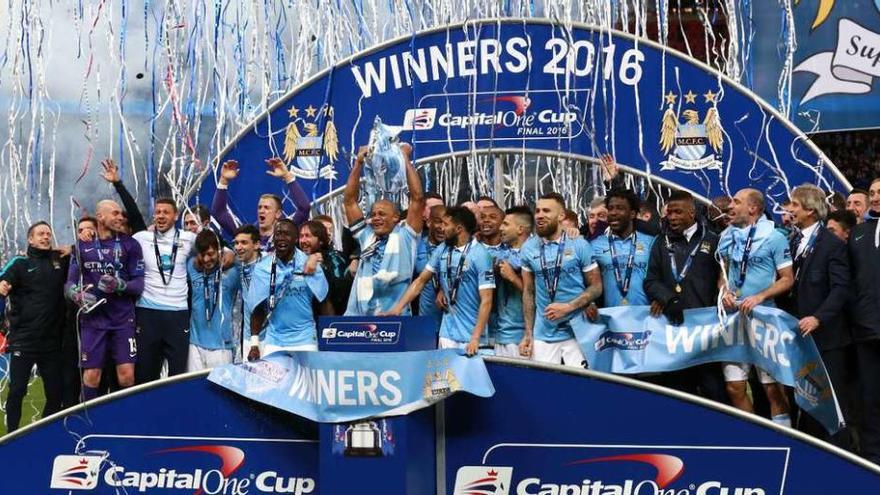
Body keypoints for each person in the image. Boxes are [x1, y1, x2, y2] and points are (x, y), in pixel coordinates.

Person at [777, 185, 851, 448]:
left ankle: (836, 458)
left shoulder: (832, 244)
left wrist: (818, 317)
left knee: (828, 403)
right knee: (804, 401)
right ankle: (807, 453)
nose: (789, 210)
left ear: (809, 209)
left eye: (794, 205)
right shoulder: (793, 240)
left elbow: (841, 288)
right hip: (798, 335)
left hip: (826, 339)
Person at [717, 188, 794, 426]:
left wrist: (760, 297)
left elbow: (787, 278)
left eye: (736, 202)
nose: (730, 206)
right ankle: (753, 439)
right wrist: (723, 291)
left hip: (764, 318)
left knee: (772, 388)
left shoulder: (775, 236)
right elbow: (723, 273)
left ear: (753, 208)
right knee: (734, 387)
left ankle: (784, 441)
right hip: (732, 319)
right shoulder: (727, 236)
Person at [644, 191, 726, 402]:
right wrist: (668, 299)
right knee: (678, 394)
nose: (672, 217)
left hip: (706, 332)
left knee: (714, 392)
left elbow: (724, 279)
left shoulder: (712, 239)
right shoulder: (661, 242)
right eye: (669, 212)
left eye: (678, 212)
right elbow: (651, 281)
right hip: (674, 331)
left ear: (692, 213)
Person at [385, 207, 494, 355]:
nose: (442, 229)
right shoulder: (442, 249)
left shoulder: (480, 255)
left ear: (459, 228)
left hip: (473, 336)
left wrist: (475, 337)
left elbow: (486, 300)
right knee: (446, 378)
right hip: (447, 333)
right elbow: (421, 281)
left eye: (446, 224)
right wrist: (398, 308)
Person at [65, 200, 145, 401]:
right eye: (115, 213)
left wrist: (120, 285)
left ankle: (126, 421)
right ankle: (89, 423)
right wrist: (77, 294)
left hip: (122, 319)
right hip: (93, 320)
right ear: (100, 217)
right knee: (92, 377)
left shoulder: (131, 244)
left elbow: (139, 285)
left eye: (121, 214)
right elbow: (69, 283)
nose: (120, 217)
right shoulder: (82, 246)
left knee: (127, 376)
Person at [0, 222, 68, 431]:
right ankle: (12, 435)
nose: (46, 237)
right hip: (24, 339)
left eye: (48, 233)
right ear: (30, 239)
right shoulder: (20, 262)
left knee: (56, 393)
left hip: (52, 342)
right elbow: (3, 282)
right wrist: (3, 285)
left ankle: (41, 434)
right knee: (18, 390)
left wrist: (72, 249)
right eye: (40, 234)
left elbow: (87, 249)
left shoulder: (60, 261)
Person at [343, 143, 424, 315]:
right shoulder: (366, 236)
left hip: (396, 316)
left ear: (396, 217)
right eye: (373, 214)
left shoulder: (407, 236)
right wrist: (358, 163)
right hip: (362, 317)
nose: (376, 218)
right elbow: (349, 201)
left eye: (382, 214)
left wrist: (404, 158)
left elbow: (417, 198)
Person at [521, 192, 602, 366]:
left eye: (546, 211)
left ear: (561, 216)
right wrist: (529, 333)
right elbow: (528, 292)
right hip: (544, 334)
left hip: (578, 332)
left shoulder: (579, 244)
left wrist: (568, 307)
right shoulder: (528, 248)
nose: (540, 215)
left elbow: (596, 287)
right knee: (544, 388)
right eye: (537, 211)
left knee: (582, 387)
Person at [132, 198, 197, 383]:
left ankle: (175, 411)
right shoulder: (142, 238)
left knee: (177, 375)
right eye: (158, 212)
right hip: (147, 312)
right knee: (145, 374)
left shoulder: (188, 238)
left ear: (175, 216)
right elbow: (117, 243)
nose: (160, 216)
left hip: (177, 313)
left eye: (165, 212)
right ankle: (146, 411)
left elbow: (217, 248)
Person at [246, 219, 329, 359]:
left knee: (306, 381)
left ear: (296, 238)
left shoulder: (309, 265)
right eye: (278, 234)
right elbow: (258, 309)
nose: (281, 238)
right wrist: (254, 344)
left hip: (305, 338)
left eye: (286, 234)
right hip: (274, 339)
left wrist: (328, 341)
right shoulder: (263, 268)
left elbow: (323, 303)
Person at [211, 157, 311, 250]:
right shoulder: (247, 235)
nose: (261, 210)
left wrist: (287, 176)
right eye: (259, 207)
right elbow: (218, 212)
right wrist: (224, 180)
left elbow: (304, 208)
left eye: (267, 208)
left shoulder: (287, 232)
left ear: (278, 213)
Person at [848, 177, 880, 463]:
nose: (877, 197)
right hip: (866, 330)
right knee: (870, 398)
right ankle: (872, 459)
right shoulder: (858, 234)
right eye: (873, 193)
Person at [589, 189, 654, 309]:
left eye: (620, 208)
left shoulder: (651, 242)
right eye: (610, 208)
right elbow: (587, 281)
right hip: (612, 320)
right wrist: (589, 303)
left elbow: (660, 277)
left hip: (646, 319)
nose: (613, 212)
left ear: (632, 214)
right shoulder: (594, 245)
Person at [187, 229, 240, 371]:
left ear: (219, 250)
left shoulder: (232, 271)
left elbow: (250, 260)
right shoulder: (191, 267)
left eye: (210, 254)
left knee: (219, 392)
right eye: (202, 254)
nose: (206, 259)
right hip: (195, 344)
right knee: (194, 388)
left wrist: (232, 254)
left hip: (222, 345)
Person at [492, 206, 533, 358]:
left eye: (506, 224)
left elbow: (538, 295)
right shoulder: (501, 254)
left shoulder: (536, 253)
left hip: (524, 337)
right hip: (501, 335)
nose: (500, 228)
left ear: (520, 229)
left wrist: (513, 278)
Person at [299, 220, 351, 315]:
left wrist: (322, 269)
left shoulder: (335, 258)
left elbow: (340, 293)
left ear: (321, 241)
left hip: (333, 320)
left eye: (308, 236)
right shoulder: (298, 260)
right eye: (301, 236)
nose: (303, 241)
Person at [231, 224, 263, 360]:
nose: (238, 247)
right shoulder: (238, 265)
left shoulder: (270, 263)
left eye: (244, 242)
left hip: (271, 337)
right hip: (248, 337)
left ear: (256, 245)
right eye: (236, 243)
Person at [414, 204, 446, 328]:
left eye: (446, 223)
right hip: (425, 321)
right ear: (429, 223)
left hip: (450, 323)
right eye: (438, 222)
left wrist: (444, 289)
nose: (442, 228)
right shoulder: (416, 246)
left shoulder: (456, 248)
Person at [99, 158, 147, 234]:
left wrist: (117, 183)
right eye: (115, 214)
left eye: (125, 223)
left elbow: (134, 212)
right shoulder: (102, 242)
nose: (120, 219)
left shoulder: (138, 238)